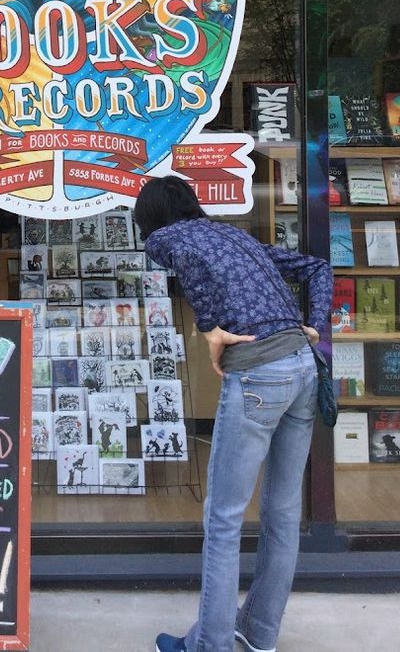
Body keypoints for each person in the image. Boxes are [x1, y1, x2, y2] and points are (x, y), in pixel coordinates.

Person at [133, 175, 332, 652]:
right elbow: (318, 266)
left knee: (223, 521)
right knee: (282, 515)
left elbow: (172, 250)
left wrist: (209, 326)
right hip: (305, 368)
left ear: (152, 216)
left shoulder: (169, 237)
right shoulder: (235, 236)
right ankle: (259, 635)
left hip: (259, 373)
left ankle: (211, 646)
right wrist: (315, 326)